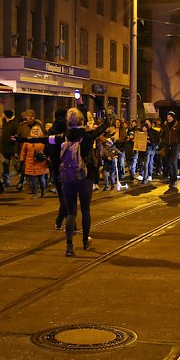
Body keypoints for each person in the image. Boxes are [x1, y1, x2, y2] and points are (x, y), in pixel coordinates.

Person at [55, 105, 108, 257]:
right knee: (85, 210)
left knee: (71, 212)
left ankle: (69, 246)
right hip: (85, 177)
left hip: (67, 177)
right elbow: (106, 125)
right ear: (82, 121)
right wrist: (102, 108)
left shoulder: (62, 137)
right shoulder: (87, 136)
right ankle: (85, 241)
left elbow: (45, 140)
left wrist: (21, 138)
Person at [20, 124, 48, 198]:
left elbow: (47, 150)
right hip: (30, 162)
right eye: (34, 129)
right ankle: (35, 193)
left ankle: (43, 192)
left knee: (41, 179)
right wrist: (22, 159)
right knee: (32, 180)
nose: (35, 131)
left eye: (37, 129)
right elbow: (23, 151)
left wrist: (47, 158)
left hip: (40, 162)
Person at [159, 111, 180, 189]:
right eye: (168, 116)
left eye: (170, 117)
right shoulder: (165, 126)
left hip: (175, 147)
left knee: (173, 162)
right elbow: (162, 135)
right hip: (167, 146)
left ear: (173, 117)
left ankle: (174, 179)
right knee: (168, 164)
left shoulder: (178, 125)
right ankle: (171, 178)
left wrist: (177, 141)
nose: (169, 118)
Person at [0, 109, 19, 187]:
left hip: (12, 147)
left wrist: (13, 140)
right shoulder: (4, 122)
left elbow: (17, 134)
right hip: (5, 148)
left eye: (3, 114)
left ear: (6, 115)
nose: (2, 115)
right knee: (5, 165)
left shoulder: (14, 123)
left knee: (16, 164)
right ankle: (6, 181)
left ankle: (22, 178)